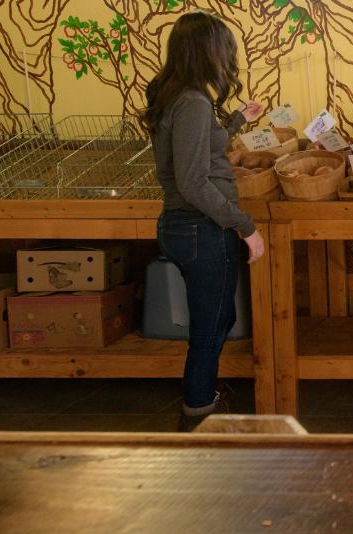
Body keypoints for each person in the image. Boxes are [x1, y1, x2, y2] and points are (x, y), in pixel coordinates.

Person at [141, 11, 266, 432]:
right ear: (209, 52)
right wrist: (244, 226)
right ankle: (197, 418)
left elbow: (197, 153)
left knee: (216, 321)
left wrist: (235, 122)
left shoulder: (179, 97)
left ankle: (203, 399)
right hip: (200, 227)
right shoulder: (192, 103)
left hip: (184, 225)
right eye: (225, 49)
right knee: (210, 328)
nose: (228, 57)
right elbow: (194, 182)